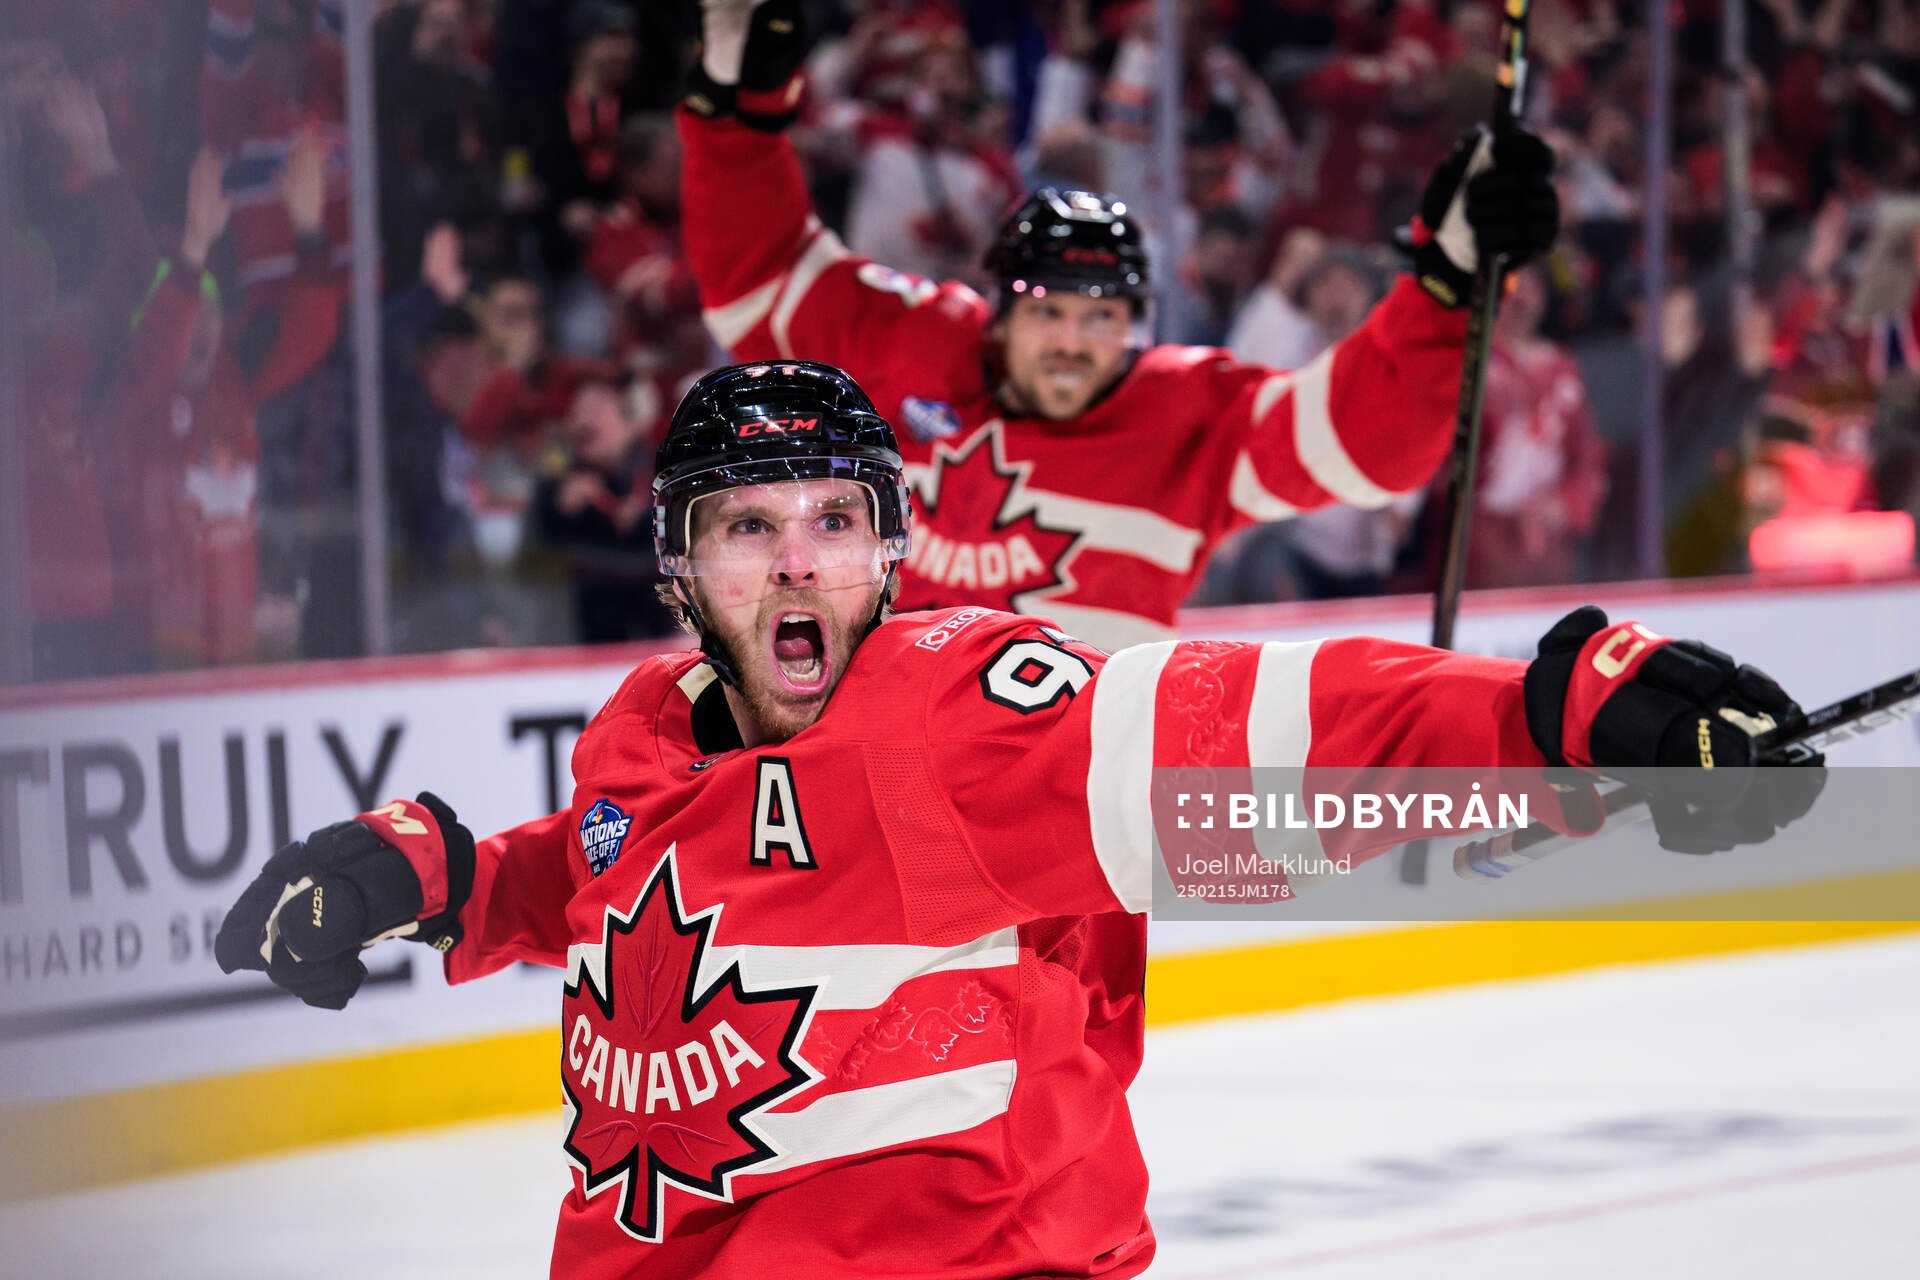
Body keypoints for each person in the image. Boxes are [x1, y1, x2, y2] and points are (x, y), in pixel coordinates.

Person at [217, 362, 1823, 1278]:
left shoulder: (956, 722)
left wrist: (1548, 720)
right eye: (749, 528)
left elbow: (1235, 734)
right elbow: (610, 884)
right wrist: (426, 872)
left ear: (890, 552)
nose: (796, 565)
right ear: (678, 569)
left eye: (836, 522)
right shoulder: (645, 734)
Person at [674, 0, 1560, 650]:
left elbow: (1366, 445)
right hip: (875, 796)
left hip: (1067, 827)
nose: (1072, 342)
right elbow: (758, 281)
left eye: (1101, 321)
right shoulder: (913, 341)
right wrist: (736, 120)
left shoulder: (1182, 418)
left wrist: (1442, 289)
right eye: (1050, 311)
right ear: (1001, 309)